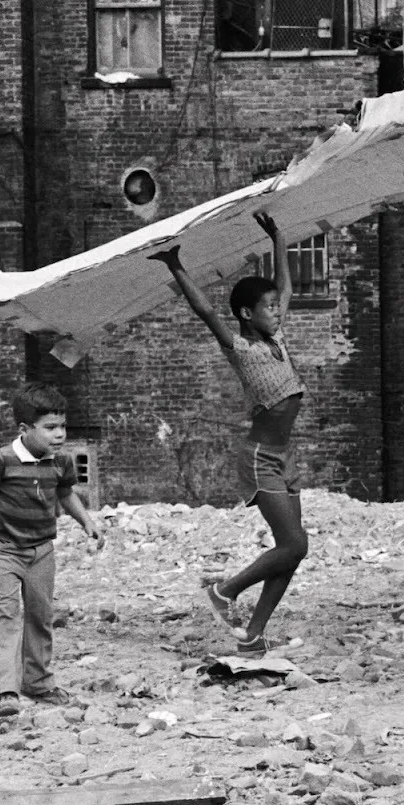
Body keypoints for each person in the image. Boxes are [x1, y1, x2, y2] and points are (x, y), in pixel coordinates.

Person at [149, 211, 308, 656]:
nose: (278, 312)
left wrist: (278, 235)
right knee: (294, 543)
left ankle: (252, 633)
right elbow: (204, 311)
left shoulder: (278, 339)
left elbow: (286, 286)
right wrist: (175, 265)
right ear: (245, 314)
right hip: (260, 458)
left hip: (284, 458)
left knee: (293, 550)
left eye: (277, 308)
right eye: (269, 308)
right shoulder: (242, 348)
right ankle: (225, 591)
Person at [0, 382, 102, 717]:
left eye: (62, 427)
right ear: (25, 429)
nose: (59, 435)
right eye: (50, 428)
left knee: (41, 616)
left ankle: (38, 683)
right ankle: (6, 691)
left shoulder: (61, 462)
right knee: (5, 615)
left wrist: (86, 521)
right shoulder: (0, 460)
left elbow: (65, 494)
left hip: (42, 550)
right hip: (4, 549)